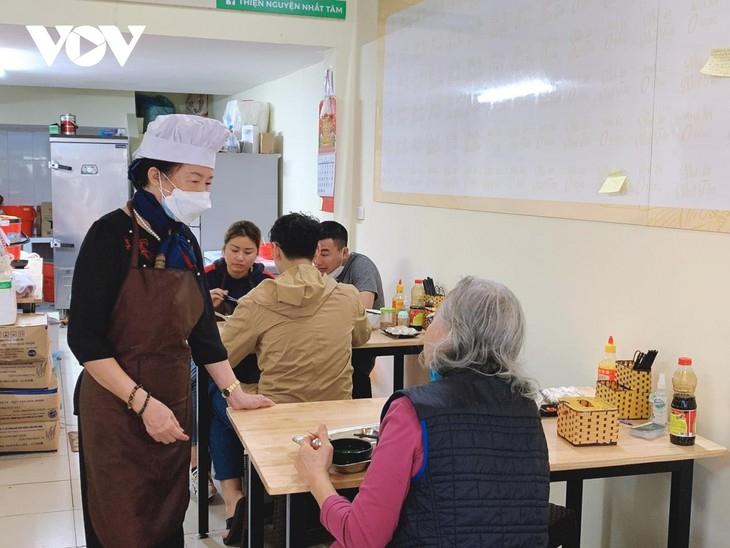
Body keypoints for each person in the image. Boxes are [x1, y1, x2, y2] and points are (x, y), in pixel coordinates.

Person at [68, 114, 274, 548]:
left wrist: (233, 391)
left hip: (172, 401)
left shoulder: (183, 240)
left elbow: (202, 330)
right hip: (116, 404)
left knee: (166, 517)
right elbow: (84, 339)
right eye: (195, 180)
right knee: (123, 523)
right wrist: (143, 404)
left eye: (208, 182)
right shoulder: (110, 235)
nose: (204, 193)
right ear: (156, 176)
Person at [295, 276, 550, 547]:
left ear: (452, 334)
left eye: (435, 319)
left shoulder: (412, 411)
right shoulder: (527, 409)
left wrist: (317, 477)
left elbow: (363, 538)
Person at [221, 212, 371, 404]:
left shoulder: (256, 301)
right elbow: (361, 336)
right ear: (317, 250)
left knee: (215, 389)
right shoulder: (348, 295)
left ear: (275, 250)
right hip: (335, 409)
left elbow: (224, 355)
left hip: (274, 410)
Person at [201, 220, 274, 545]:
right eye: (234, 250)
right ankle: (196, 465)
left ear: (258, 254)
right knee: (199, 381)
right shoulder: (206, 276)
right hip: (217, 356)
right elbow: (186, 322)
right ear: (224, 248)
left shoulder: (267, 283)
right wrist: (206, 306)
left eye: (248, 252)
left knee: (219, 401)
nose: (240, 258)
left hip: (254, 365)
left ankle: (232, 497)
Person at [315, 220, 384, 398]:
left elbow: (362, 308)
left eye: (325, 254)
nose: (317, 261)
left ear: (344, 252)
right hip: (329, 345)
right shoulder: (318, 270)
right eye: (315, 253)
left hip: (357, 350)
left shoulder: (361, 266)